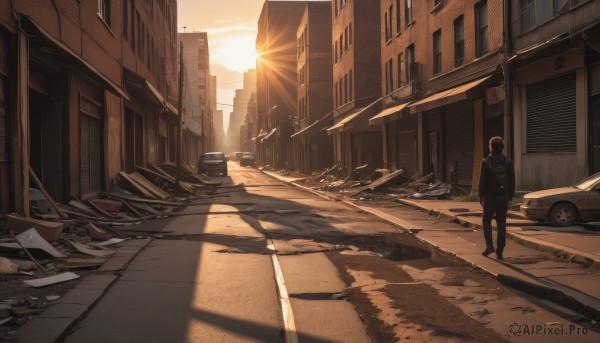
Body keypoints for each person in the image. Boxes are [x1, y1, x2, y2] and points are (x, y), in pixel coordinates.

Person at [478, 136, 515, 260]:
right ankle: (500, 252)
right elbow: (512, 182)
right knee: (501, 225)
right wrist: (510, 198)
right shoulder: (508, 162)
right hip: (503, 198)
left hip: (490, 197)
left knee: (486, 221)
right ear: (502, 148)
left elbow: (482, 181)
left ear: (491, 147)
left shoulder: (486, 161)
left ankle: (489, 245)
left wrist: (480, 196)